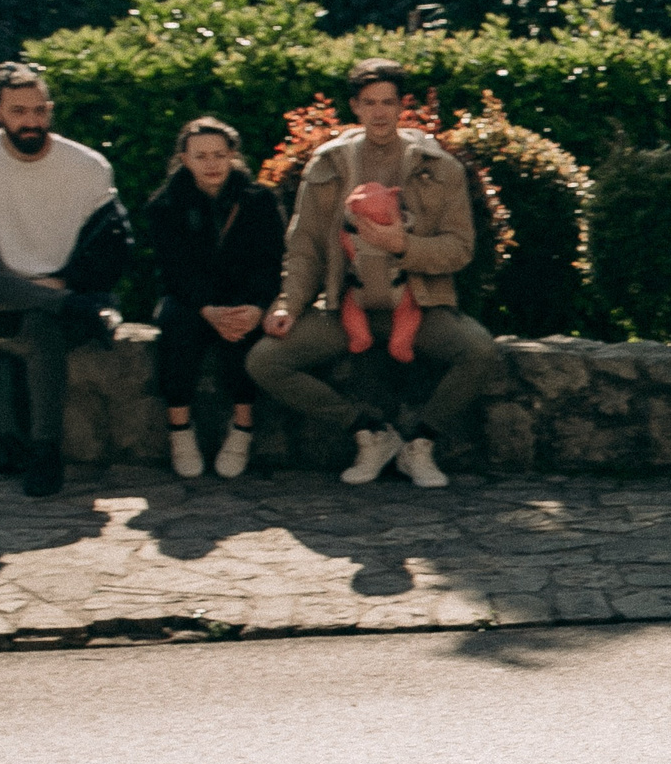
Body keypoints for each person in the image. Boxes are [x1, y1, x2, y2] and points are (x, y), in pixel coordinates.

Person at [248, 57, 504, 487]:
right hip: (346, 303)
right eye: (369, 102)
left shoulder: (440, 167)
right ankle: (369, 434)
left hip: (417, 302)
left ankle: (419, 444)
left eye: (388, 102)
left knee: (479, 351)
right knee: (265, 360)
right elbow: (305, 246)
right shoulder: (327, 164)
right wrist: (288, 304)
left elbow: (460, 249)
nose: (380, 112)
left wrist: (402, 245)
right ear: (355, 107)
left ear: (403, 105)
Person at [0, 60, 134, 497]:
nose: (31, 121)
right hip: (2, 293)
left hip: (71, 290)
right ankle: (77, 309)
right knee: (6, 294)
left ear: (49, 109)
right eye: (19, 111)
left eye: (39, 110)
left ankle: (45, 451)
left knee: (41, 325)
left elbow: (113, 245)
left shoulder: (87, 166)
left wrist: (68, 285)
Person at [144, 116, 284, 479]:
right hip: (191, 298)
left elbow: (270, 262)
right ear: (185, 159)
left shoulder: (260, 201)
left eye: (219, 155)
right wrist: (207, 309)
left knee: (245, 332)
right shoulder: (164, 205)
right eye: (201, 156)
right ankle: (179, 429)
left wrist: (256, 307)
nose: (211, 164)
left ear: (232, 155)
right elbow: (172, 269)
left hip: (243, 296)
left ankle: (242, 427)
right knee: (175, 327)